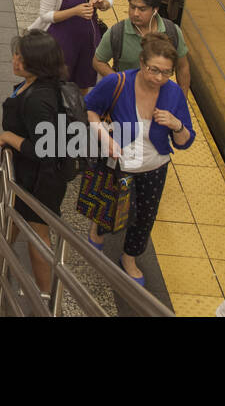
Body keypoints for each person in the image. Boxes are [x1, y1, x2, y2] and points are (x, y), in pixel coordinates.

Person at [84, 33, 195, 285]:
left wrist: (177, 125)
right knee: (108, 206)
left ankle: (129, 257)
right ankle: (97, 232)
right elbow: (90, 108)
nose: (159, 78)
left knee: (145, 217)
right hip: (118, 162)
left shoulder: (174, 93)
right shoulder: (117, 82)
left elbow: (185, 141)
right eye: (153, 70)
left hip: (154, 166)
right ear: (141, 62)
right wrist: (104, 138)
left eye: (167, 72)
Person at [0, 32, 74, 295]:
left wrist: (8, 137)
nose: (14, 59)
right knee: (15, 210)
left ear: (37, 63)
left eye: (21, 56)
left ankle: (45, 297)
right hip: (28, 174)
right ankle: (0, 244)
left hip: (42, 180)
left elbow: (46, 150)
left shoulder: (39, 100)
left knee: (37, 236)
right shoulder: (38, 83)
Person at [94, 0, 190, 89]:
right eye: (132, 7)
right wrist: (120, 82)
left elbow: (182, 67)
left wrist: (182, 99)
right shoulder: (117, 33)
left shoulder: (172, 32)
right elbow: (98, 61)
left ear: (155, 10)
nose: (135, 13)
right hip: (126, 97)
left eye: (142, 9)